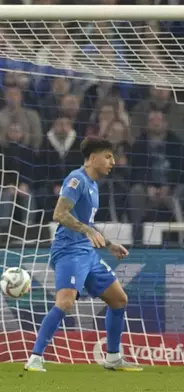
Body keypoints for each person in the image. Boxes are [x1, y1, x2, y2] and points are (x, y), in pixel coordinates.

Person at [25, 137, 139, 372]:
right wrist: (87, 231)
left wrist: (108, 244)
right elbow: (59, 213)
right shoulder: (77, 179)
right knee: (65, 303)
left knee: (119, 299)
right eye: (108, 157)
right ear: (92, 158)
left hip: (86, 252)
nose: (113, 162)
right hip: (69, 251)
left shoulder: (94, 185)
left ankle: (113, 357)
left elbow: (85, 222)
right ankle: (35, 358)